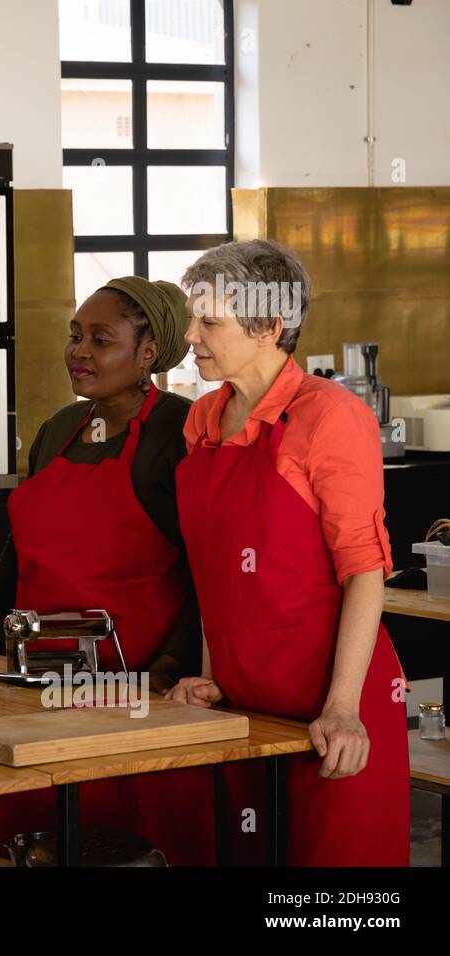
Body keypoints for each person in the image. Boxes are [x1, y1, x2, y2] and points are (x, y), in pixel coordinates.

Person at [0, 276, 215, 865]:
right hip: (40, 687)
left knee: (132, 847)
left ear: (148, 354)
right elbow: (18, 556)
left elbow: (208, 574)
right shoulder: (56, 430)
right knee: (39, 843)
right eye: (74, 336)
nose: (79, 351)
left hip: (135, 695)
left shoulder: (180, 432)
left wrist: (167, 669)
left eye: (100, 339)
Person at [168, 239, 408, 866]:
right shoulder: (202, 422)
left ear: (269, 326)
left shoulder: (330, 417)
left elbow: (364, 570)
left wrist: (342, 710)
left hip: (332, 710)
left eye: (209, 322)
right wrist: (212, 674)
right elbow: (215, 572)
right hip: (246, 709)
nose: (190, 335)